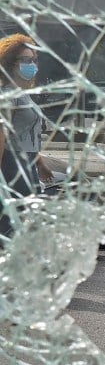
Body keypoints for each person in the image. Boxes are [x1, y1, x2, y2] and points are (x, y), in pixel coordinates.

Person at [0, 33, 53, 238]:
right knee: (13, 221)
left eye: (34, 60)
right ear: (10, 63)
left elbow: (24, 133)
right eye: (26, 60)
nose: (32, 65)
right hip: (12, 165)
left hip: (27, 163)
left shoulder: (22, 94)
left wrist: (39, 163)